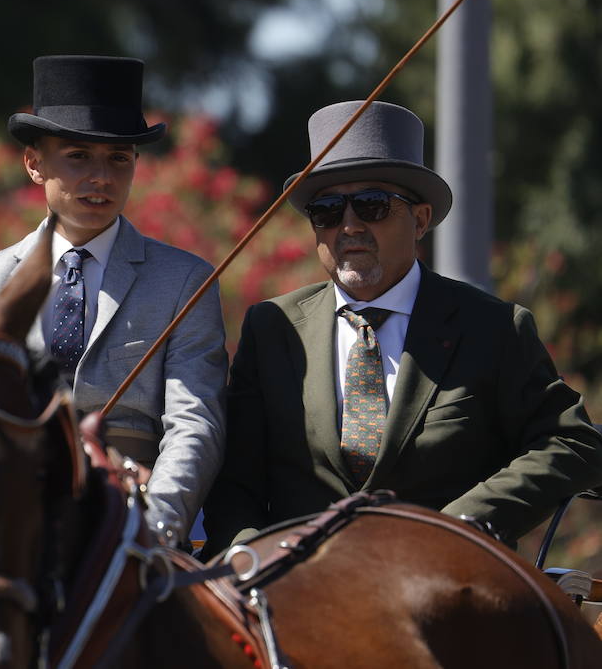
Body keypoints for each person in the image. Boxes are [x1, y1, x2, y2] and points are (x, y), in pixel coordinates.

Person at [202, 100, 602, 556]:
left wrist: (457, 529)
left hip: (443, 591)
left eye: (371, 205)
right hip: (299, 602)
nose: (349, 226)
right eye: (327, 211)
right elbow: (237, 482)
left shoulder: (494, 328)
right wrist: (248, 558)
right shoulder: (273, 328)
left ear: (420, 219)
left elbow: (572, 441)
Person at [0, 54, 227, 539]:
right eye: (78, 156)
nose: (101, 176)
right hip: (16, 527)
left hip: (136, 520)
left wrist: (155, 525)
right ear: (35, 163)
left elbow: (195, 422)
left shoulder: (187, 281)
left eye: (118, 159)